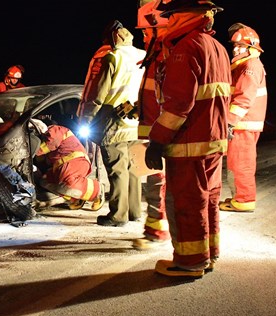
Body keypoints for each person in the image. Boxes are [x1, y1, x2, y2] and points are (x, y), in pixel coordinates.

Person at [144, 0, 231, 277]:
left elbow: (179, 102)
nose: (168, 22)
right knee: (210, 200)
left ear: (184, 16)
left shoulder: (186, 47)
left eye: (171, 17)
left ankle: (190, 262)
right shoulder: (217, 47)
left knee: (186, 202)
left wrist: (157, 140)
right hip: (214, 140)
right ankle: (209, 254)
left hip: (188, 143)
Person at [77, 19, 146, 227]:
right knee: (132, 167)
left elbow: (99, 94)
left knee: (117, 168)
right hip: (135, 117)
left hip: (113, 118)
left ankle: (117, 215)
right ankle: (134, 211)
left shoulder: (112, 58)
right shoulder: (142, 55)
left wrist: (87, 118)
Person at [132, 0, 171, 250]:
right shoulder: (156, 53)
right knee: (155, 181)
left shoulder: (166, 52)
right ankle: (154, 228)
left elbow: (172, 99)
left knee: (159, 182)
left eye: (146, 30)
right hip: (153, 129)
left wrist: (159, 136)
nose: (144, 35)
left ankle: (157, 232)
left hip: (161, 132)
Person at [219, 23, 267, 213]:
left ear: (252, 47)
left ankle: (244, 200)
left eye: (240, 46)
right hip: (243, 124)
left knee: (241, 164)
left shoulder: (249, 65)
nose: (236, 49)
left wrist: (230, 121)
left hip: (243, 124)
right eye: (235, 46)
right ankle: (240, 197)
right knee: (236, 162)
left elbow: (243, 97)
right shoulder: (245, 64)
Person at [31, 118, 104, 210]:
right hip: (61, 166)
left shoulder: (54, 129)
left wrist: (33, 152)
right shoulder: (45, 138)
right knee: (45, 180)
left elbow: (52, 142)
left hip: (75, 161)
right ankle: (76, 197)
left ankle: (98, 190)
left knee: (68, 183)